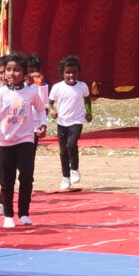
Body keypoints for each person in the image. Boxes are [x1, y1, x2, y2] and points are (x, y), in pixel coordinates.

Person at [0, 54, 43, 227]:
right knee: (7, 180)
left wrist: (42, 125)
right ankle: (8, 215)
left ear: (25, 73)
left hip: (25, 139)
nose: (12, 73)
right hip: (4, 141)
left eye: (17, 70)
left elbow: (40, 109)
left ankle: (24, 213)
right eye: (8, 70)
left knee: (26, 176)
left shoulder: (32, 91)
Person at [49, 55, 92, 190]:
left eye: (74, 72)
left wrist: (89, 112)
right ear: (62, 73)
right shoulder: (57, 87)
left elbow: (87, 99)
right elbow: (50, 103)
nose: (71, 75)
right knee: (63, 150)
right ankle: (65, 177)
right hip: (62, 122)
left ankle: (74, 169)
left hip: (77, 121)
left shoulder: (82, 86)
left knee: (71, 144)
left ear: (78, 72)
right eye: (68, 72)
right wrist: (53, 111)